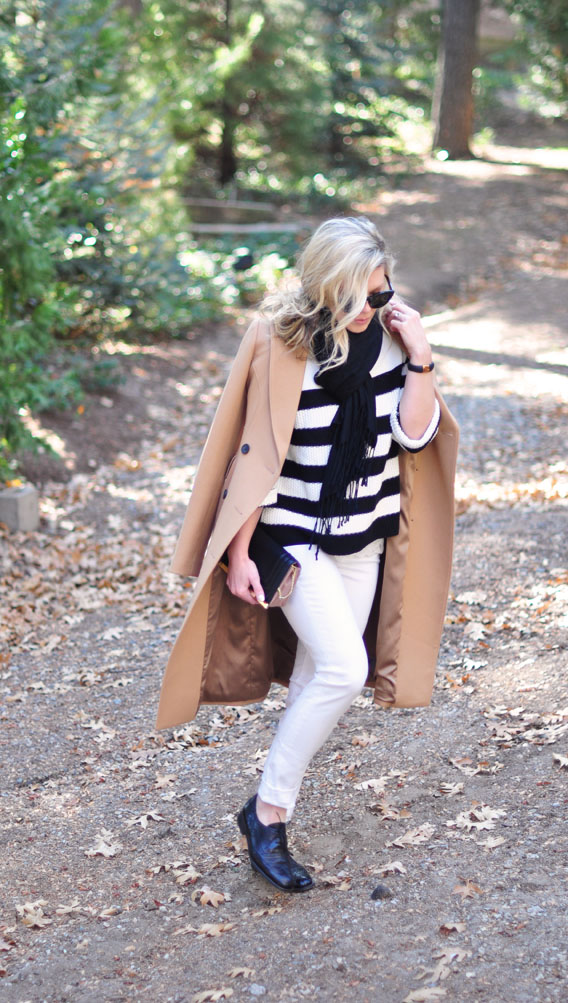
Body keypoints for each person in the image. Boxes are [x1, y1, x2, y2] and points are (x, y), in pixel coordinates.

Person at [156, 217, 458, 894]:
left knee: (319, 673)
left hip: (364, 536)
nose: (373, 308)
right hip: (292, 535)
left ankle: (268, 807)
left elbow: (414, 436)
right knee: (346, 670)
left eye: (383, 293)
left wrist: (421, 356)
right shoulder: (281, 343)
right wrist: (239, 555)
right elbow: (252, 456)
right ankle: (266, 814)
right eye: (360, 297)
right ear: (327, 289)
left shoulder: (390, 341)